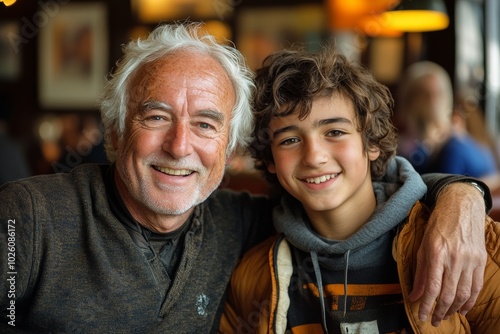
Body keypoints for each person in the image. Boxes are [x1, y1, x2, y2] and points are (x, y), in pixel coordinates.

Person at [0, 23, 491, 332]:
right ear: (114, 129)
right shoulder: (28, 220)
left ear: (229, 149)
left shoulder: (244, 225)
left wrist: (461, 195)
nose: (179, 145)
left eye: (206, 124)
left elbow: (365, 205)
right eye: (155, 117)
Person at [220, 48, 500, 333]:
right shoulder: (252, 280)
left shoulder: (464, 246)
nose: (314, 157)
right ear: (270, 161)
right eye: (290, 139)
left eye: (335, 132)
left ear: (371, 144)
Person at [396, 61, 499, 188]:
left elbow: (442, 192)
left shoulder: (453, 147)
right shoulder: (410, 145)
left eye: (438, 94)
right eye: (424, 95)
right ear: (409, 99)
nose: (433, 102)